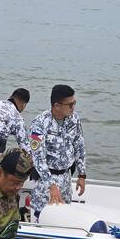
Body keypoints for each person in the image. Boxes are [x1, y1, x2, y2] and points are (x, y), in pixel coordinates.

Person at [28, 84, 86, 220]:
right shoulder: (39, 124)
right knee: (42, 216)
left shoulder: (74, 119)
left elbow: (79, 145)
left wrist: (82, 174)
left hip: (66, 177)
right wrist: (51, 185)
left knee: (64, 217)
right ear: (57, 105)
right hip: (46, 180)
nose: (73, 107)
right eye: (70, 104)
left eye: (74, 103)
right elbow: (38, 159)